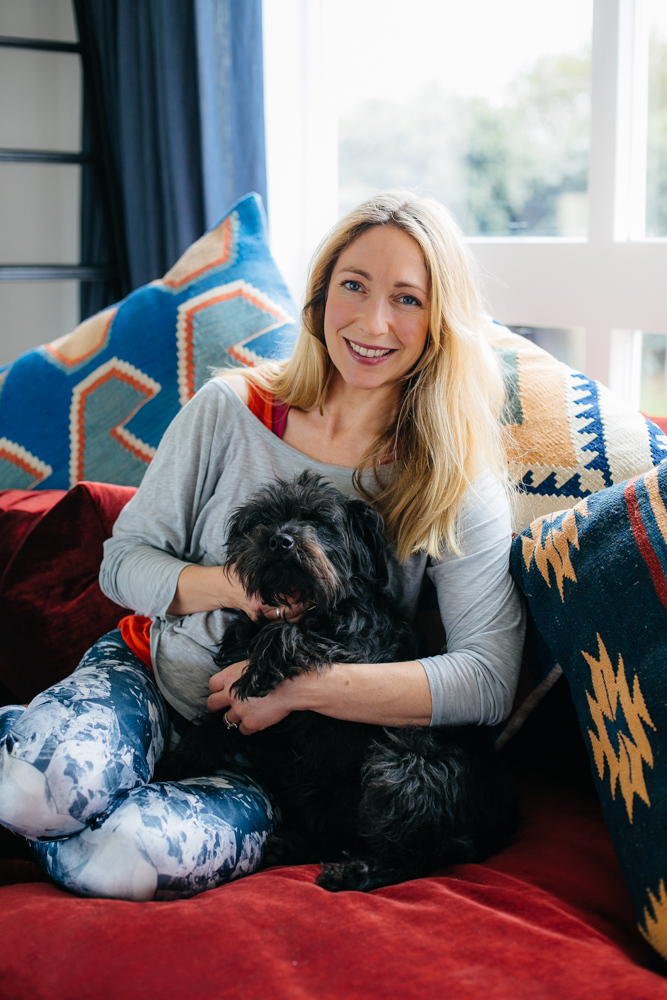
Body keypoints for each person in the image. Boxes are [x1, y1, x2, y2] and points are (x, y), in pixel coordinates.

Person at [0, 191, 525, 901]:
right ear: (320, 297)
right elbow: (121, 564)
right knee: (36, 792)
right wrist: (234, 585)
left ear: (440, 324)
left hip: (277, 767)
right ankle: (43, 759)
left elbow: (487, 680)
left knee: (122, 861)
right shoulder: (230, 409)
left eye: (407, 299)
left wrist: (297, 688)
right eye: (354, 286)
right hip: (150, 681)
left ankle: (57, 769)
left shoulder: (452, 477)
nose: (373, 322)